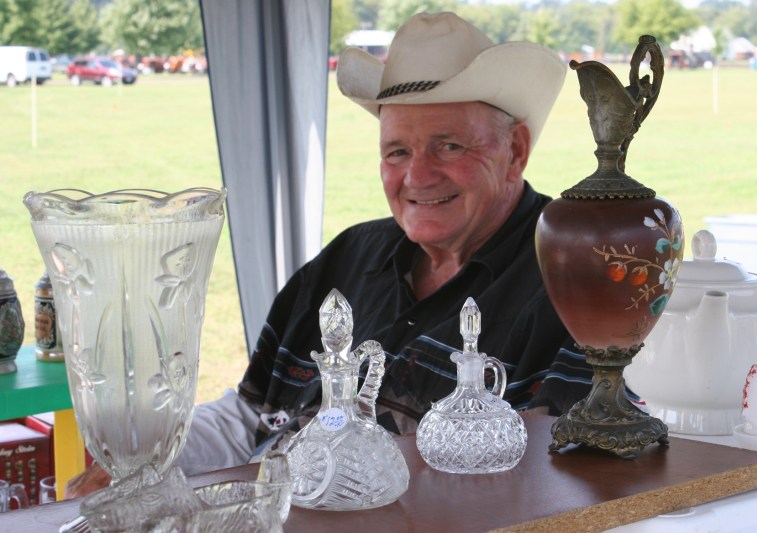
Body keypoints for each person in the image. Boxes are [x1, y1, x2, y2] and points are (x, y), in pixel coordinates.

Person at [65, 11, 593, 496]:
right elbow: (252, 418)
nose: (417, 175)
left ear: (515, 151)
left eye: (449, 146)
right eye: (397, 151)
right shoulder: (351, 256)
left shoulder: (574, 280)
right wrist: (151, 462)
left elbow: (565, 483)